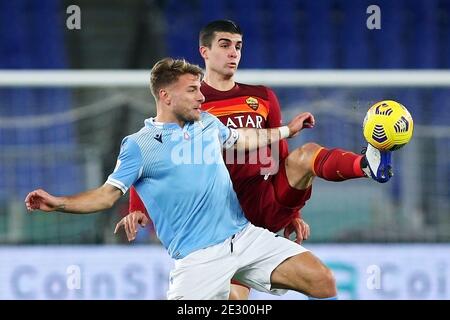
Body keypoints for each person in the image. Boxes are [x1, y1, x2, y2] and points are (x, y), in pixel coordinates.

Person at [120, 20, 393, 299]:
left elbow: (280, 152)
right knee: (235, 298)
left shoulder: (262, 97)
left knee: (306, 154)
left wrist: (293, 212)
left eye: (238, 47)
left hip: (266, 196)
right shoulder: (191, 103)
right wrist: (136, 206)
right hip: (223, 220)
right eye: (224, 45)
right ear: (204, 51)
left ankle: (367, 164)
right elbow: (154, 152)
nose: (233, 53)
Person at [25, 57, 338, 300]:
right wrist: (59, 202)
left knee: (323, 282)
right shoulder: (139, 144)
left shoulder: (208, 125)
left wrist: (288, 131)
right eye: (192, 90)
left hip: (244, 237)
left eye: (200, 89)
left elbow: (243, 139)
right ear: (165, 96)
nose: (201, 97)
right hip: (199, 259)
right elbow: (106, 195)